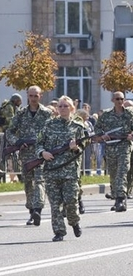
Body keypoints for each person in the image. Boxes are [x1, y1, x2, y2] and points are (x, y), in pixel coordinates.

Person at [35, 95, 87, 241]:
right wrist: (42, 153)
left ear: (72, 108)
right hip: (51, 171)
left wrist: (75, 148)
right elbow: (39, 143)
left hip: (70, 172)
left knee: (71, 201)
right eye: (60, 106)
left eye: (66, 106)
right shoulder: (49, 125)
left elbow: (84, 147)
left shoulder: (78, 127)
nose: (63, 108)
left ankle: (74, 221)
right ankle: (59, 231)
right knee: (55, 205)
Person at [4, 86, 52, 225]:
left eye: (35, 96)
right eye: (31, 96)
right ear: (27, 96)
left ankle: (38, 209)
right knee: (28, 184)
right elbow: (10, 132)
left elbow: (52, 131)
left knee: (39, 181)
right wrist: (18, 142)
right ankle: (31, 210)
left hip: (41, 153)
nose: (33, 99)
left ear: (40, 96)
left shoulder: (47, 113)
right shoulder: (20, 113)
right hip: (26, 154)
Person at [94, 91, 133, 212]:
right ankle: (116, 197)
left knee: (122, 172)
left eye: (122, 99)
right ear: (113, 100)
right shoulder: (106, 114)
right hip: (111, 147)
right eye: (117, 99)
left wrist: (132, 135)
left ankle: (121, 199)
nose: (120, 101)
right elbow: (97, 128)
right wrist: (103, 136)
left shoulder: (130, 114)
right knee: (113, 174)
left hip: (124, 146)